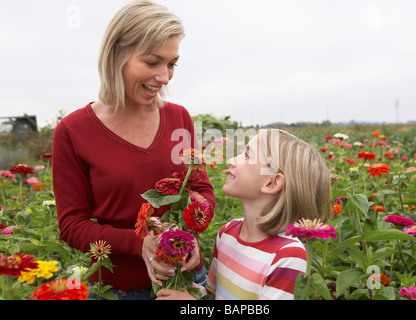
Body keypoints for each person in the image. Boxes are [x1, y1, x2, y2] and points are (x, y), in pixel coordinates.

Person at [52, 0, 215, 300]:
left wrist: (189, 236)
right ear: (117, 55)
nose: (164, 77)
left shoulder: (179, 118)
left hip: (184, 282)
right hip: (117, 289)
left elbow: (201, 189)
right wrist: (137, 243)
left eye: (171, 64)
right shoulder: (73, 131)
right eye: (152, 63)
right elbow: (72, 226)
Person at [156, 129, 332, 300]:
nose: (232, 160)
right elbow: (212, 295)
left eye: (247, 156)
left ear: (271, 182)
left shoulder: (288, 256)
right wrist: (182, 284)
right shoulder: (227, 233)